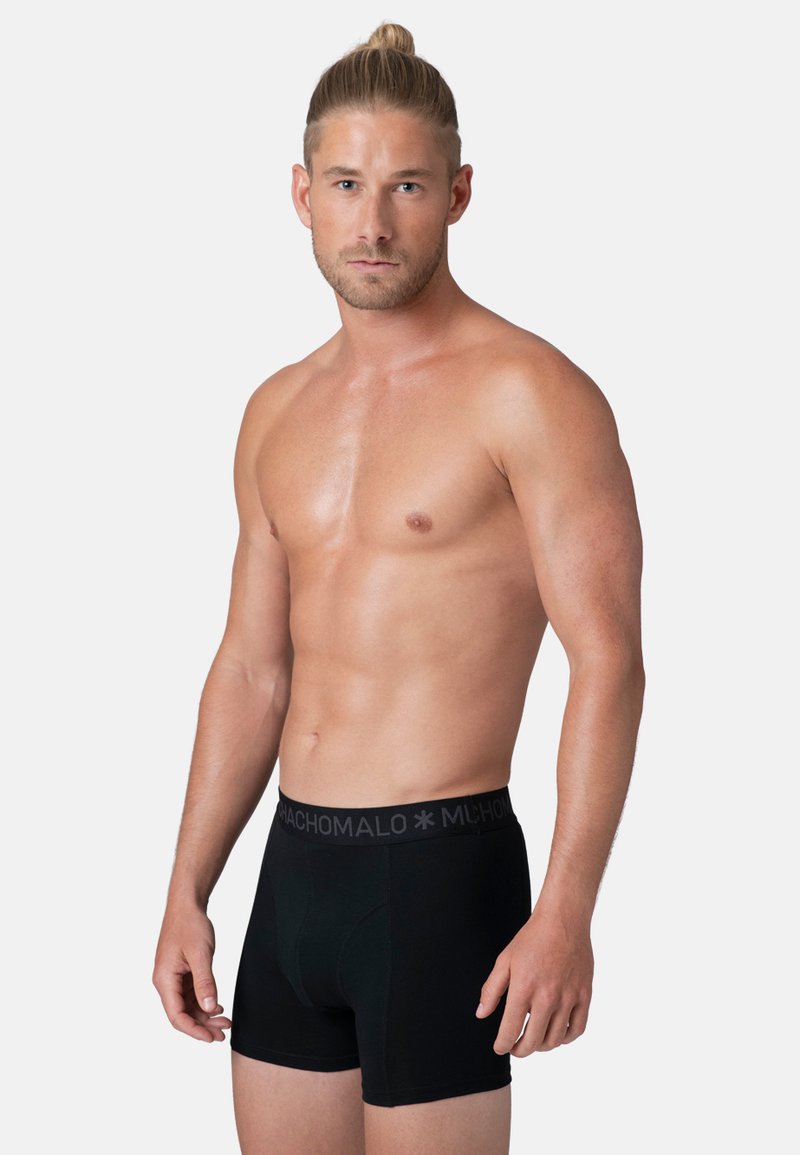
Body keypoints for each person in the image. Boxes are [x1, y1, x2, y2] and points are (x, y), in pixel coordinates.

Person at [153, 21, 645, 1155]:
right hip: (293, 874)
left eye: (407, 186)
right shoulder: (276, 409)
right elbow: (251, 666)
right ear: (301, 194)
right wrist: (186, 884)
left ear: (459, 193)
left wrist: (566, 909)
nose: (371, 222)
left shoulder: (531, 393)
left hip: (441, 876)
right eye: (346, 184)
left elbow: (608, 660)